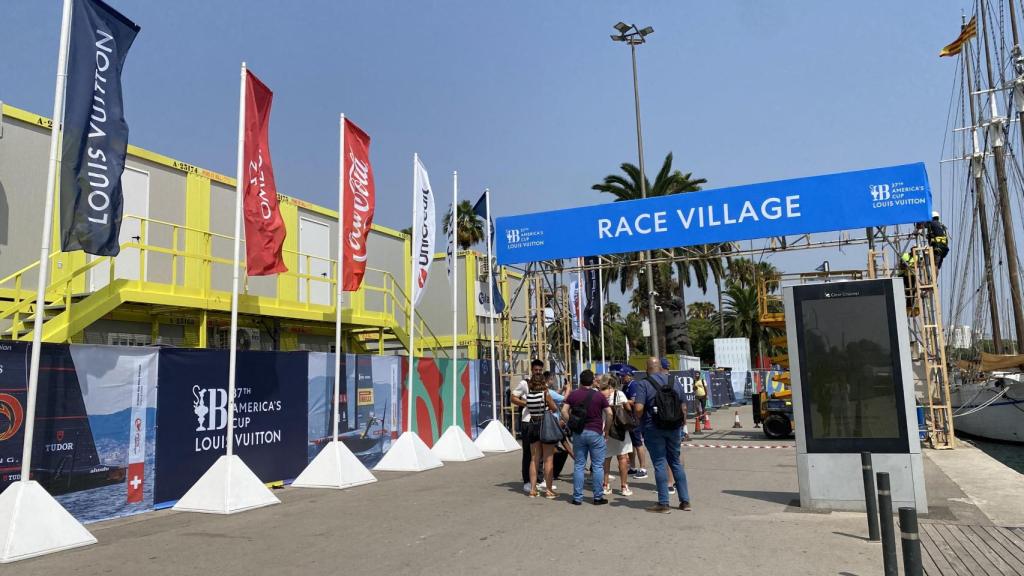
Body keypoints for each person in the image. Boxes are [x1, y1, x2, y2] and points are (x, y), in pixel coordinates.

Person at [634, 357, 692, 513]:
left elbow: (639, 408)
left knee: (660, 463)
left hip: (653, 428)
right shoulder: (674, 381)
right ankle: (685, 501)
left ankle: (664, 503)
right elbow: (684, 407)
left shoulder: (644, 384)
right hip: (674, 427)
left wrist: (637, 419)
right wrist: (682, 424)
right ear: (660, 367)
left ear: (647, 368)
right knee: (675, 462)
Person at [562, 369, 612, 505]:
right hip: (596, 432)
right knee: (597, 466)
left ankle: (577, 497)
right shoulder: (599, 396)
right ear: (592, 381)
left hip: (579, 433)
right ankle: (597, 497)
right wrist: (606, 430)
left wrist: (571, 423)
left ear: (580, 380)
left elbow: (563, 411)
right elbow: (609, 413)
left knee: (579, 465)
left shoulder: (573, 395)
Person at [510, 359, 545, 493]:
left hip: (541, 420)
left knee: (540, 452)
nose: (538, 372)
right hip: (527, 421)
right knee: (528, 452)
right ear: (531, 370)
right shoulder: (525, 383)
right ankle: (527, 480)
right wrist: (527, 404)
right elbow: (513, 397)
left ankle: (540, 480)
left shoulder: (543, 383)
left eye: (540, 370)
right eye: (536, 370)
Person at [525, 373, 561, 499]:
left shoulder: (528, 396)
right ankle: (549, 490)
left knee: (534, 458)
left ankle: (533, 489)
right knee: (548, 459)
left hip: (533, 425)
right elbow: (554, 408)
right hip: (545, 425)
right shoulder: (545, 394)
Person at [597, 373, 633, 496]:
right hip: (620, 429)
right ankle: (624, 486)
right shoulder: (620, 394)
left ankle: (605, 485)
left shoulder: (599, 395)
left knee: (606, 458)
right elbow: (628, 408)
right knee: (622, 458)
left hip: (605, 429)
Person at [621, 366, 648, 479]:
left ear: (628, 375)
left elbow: (635, 401)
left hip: (634, 418)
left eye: (623, 376)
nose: (621, 378)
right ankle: (632, 467)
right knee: (630, 444)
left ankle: (643, 468)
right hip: (627, 418)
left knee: (638, 444)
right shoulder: (625, 386)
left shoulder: (634, 385)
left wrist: (622, 400)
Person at [544, 371, 571, 483]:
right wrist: (568, 389)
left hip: (550, 423)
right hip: (553, 424)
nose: (553, 381)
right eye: (552, 379)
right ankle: (550, 476)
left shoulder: (547, 391)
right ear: (549, 379)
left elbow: (556, 395)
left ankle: (550, 475)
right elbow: (565, 399)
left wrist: (563, 390)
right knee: (555, 450)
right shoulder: (548, 391)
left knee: (560, 446)